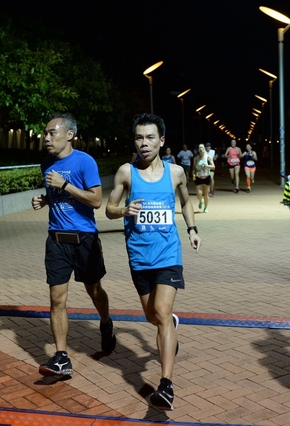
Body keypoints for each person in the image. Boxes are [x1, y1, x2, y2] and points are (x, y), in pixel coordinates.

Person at [106, 113, 201, 411]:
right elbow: (108, 208)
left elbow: (186, 201)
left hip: (168, 254)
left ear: (161, 140)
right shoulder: (126, 172)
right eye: (139, 137)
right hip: (139, 256)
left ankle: (166, 385)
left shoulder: (176, 173)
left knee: (160, 311)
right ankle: (169, 323)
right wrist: (124, 210)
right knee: (153, 316)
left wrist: (192, 229)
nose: (144, 143)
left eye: (149, 137)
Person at [31, 112, 116, 377]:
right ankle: (61, 357)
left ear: (69, 135)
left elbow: (96, 200)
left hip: (84, 239)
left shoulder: (85, 161)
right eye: (45, 133)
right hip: (56, 239)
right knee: (57, 299)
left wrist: (65, 184)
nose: (46, 138)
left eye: (51, 133)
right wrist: (46, 200)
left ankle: (105, 323)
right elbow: (57, 195)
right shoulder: (46, 164)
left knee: (94, 291)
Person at [192, 144, 214, 213]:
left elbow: (213, 166)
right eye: (199, 148)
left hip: (206, 176)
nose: (201, 149)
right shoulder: (196, 158)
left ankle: (206, 207)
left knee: (206, 193)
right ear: (198, 150)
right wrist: (193, 173)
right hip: (198, 177)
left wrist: (207, 166)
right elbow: (194, 167)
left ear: (204, 149)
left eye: (202, 147)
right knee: (199, 193)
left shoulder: (208, 157)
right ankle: (201, 200)